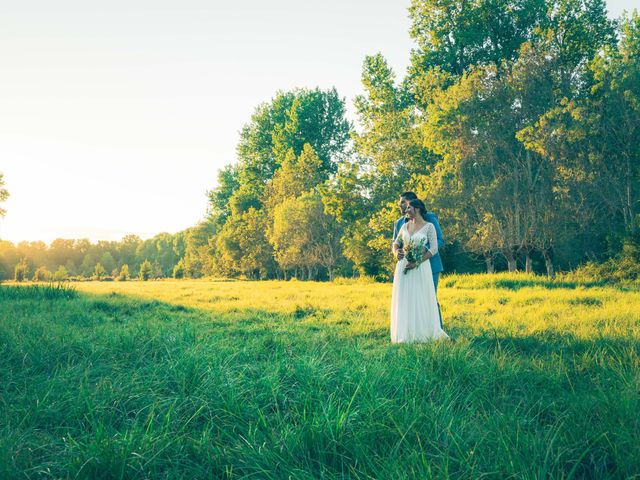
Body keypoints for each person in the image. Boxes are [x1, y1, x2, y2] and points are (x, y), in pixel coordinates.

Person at [390, 199, 448, 343]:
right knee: (405, 298)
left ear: (417, 209)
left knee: (421, 297)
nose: (406, 210)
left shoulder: (429, 226)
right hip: (403, 265)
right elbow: (396, 243)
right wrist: (397, 252)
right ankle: (406, 333)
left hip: (421, 266)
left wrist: (417, 261)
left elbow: (434, 247)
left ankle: (424, 333)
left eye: (409, 208)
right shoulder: (404, 226)